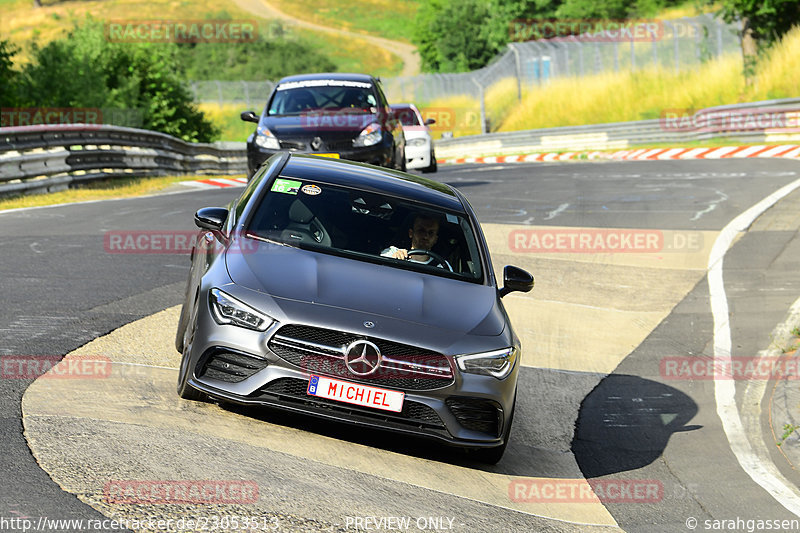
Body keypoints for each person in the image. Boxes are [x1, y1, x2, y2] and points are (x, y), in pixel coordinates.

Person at [381, 214, 450, 268]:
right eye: (421, 231)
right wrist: (392, 261)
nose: (426, 236)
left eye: (431, 232)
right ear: (411, 233)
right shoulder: (392, 253)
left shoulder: (442, 265)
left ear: (435, 239)